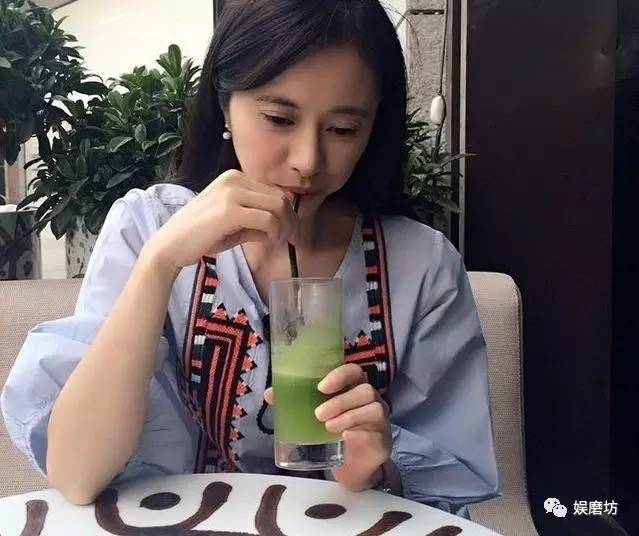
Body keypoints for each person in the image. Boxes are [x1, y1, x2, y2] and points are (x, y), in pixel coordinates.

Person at [0, 0, 500, 518]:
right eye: (279, 118)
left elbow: (448, 490)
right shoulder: (148, 227)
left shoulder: (420, 268)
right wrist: (159, 265)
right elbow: (77, 474)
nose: (307, 161)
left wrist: (376, 471)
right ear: (225, 106)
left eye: (343, 129)